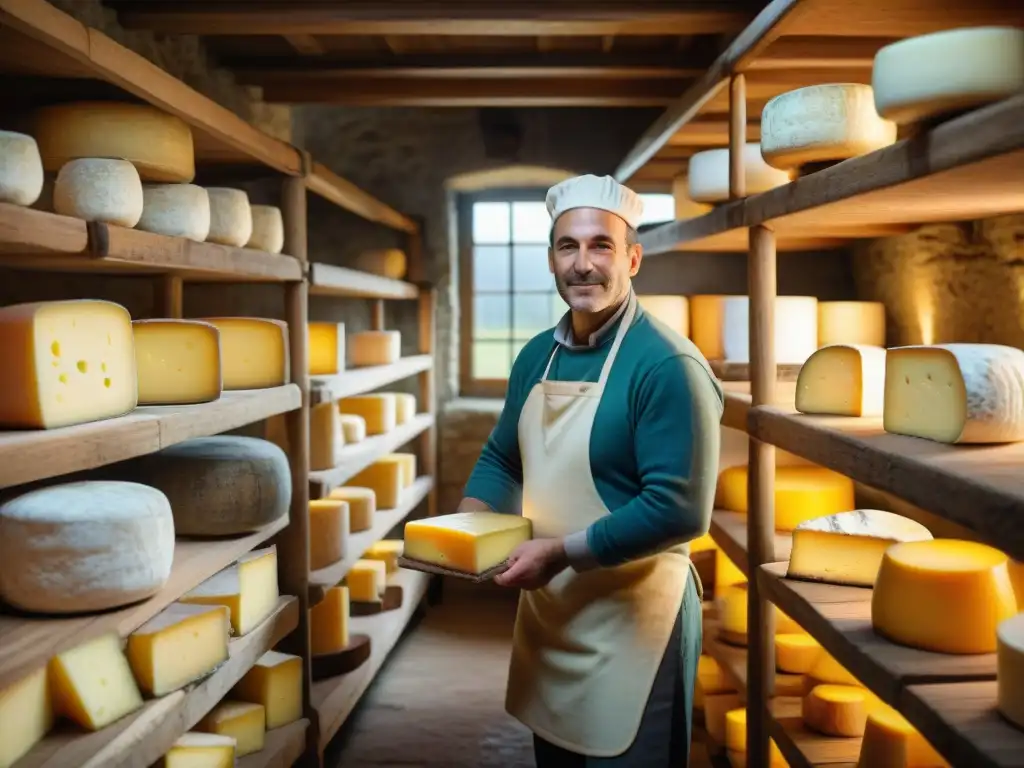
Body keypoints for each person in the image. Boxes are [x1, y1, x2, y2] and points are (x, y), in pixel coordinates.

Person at [457, 173, 724, 767]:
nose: (583, 264)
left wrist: (557, 553)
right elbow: (504, 455)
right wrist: (467, 526)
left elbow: (678, 508)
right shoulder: (536, 356)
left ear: (633, 257)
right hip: (555, 617)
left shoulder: (667, 365)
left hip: (635, 625)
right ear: (551, 260)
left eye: (600, 245)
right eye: (567, 247)